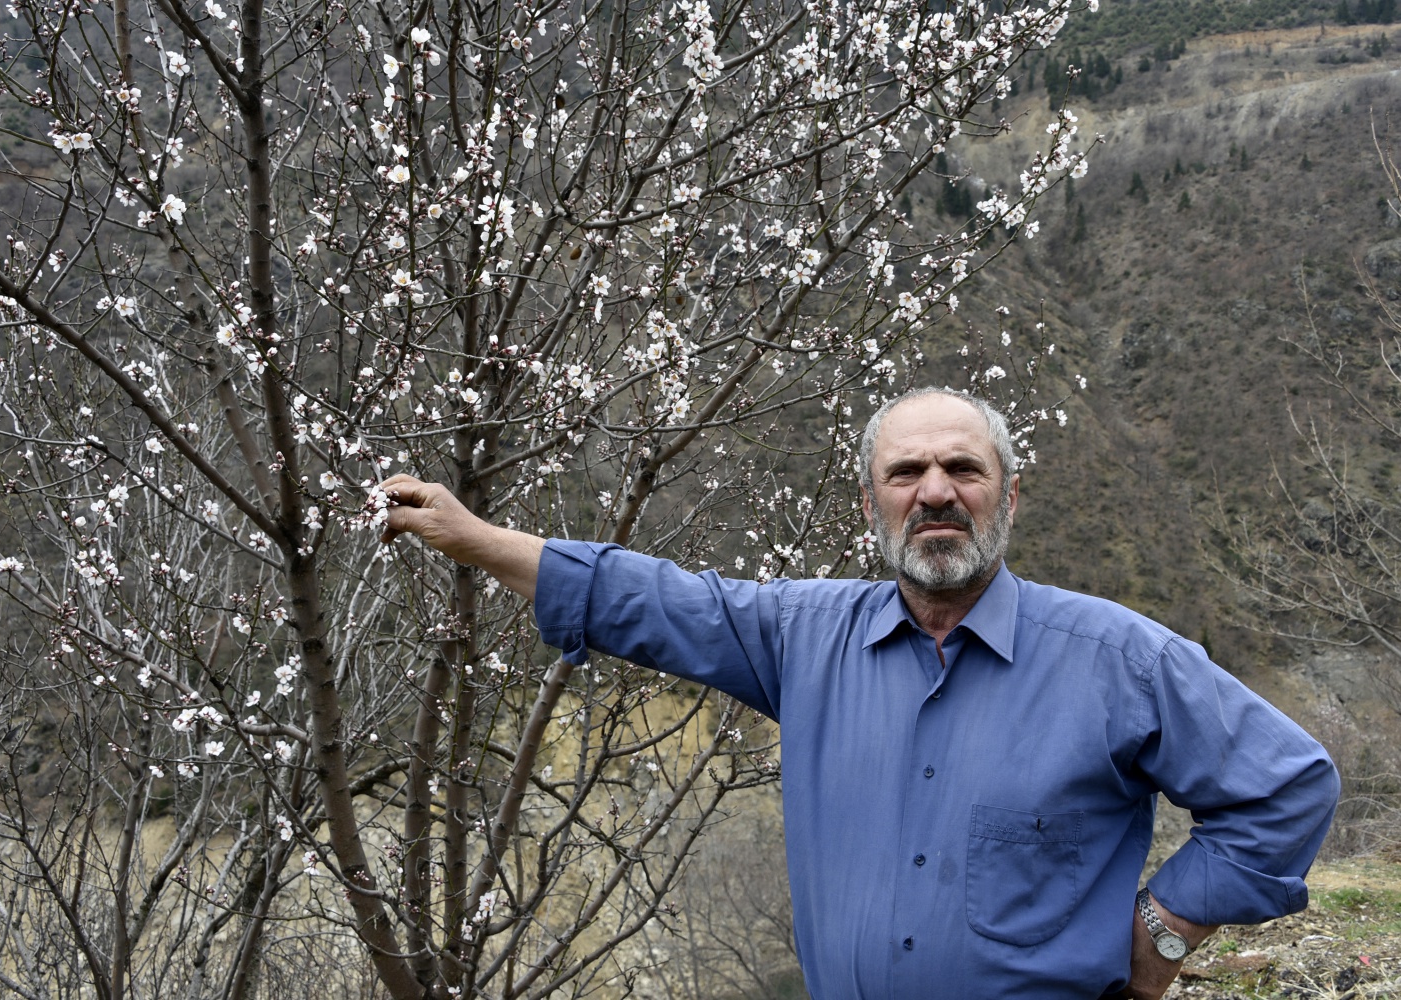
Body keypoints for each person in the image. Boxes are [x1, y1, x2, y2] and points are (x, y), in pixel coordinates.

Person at [380, 386, 1339, 1000]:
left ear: (1008, 498)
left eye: (964, 469)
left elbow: (1287, 785)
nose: (935, 490)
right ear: (872, 502)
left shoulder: (1114, 657)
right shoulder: (805, 637)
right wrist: (479, 540)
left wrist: (1164, 935)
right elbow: (655, 601)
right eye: (906, 471)